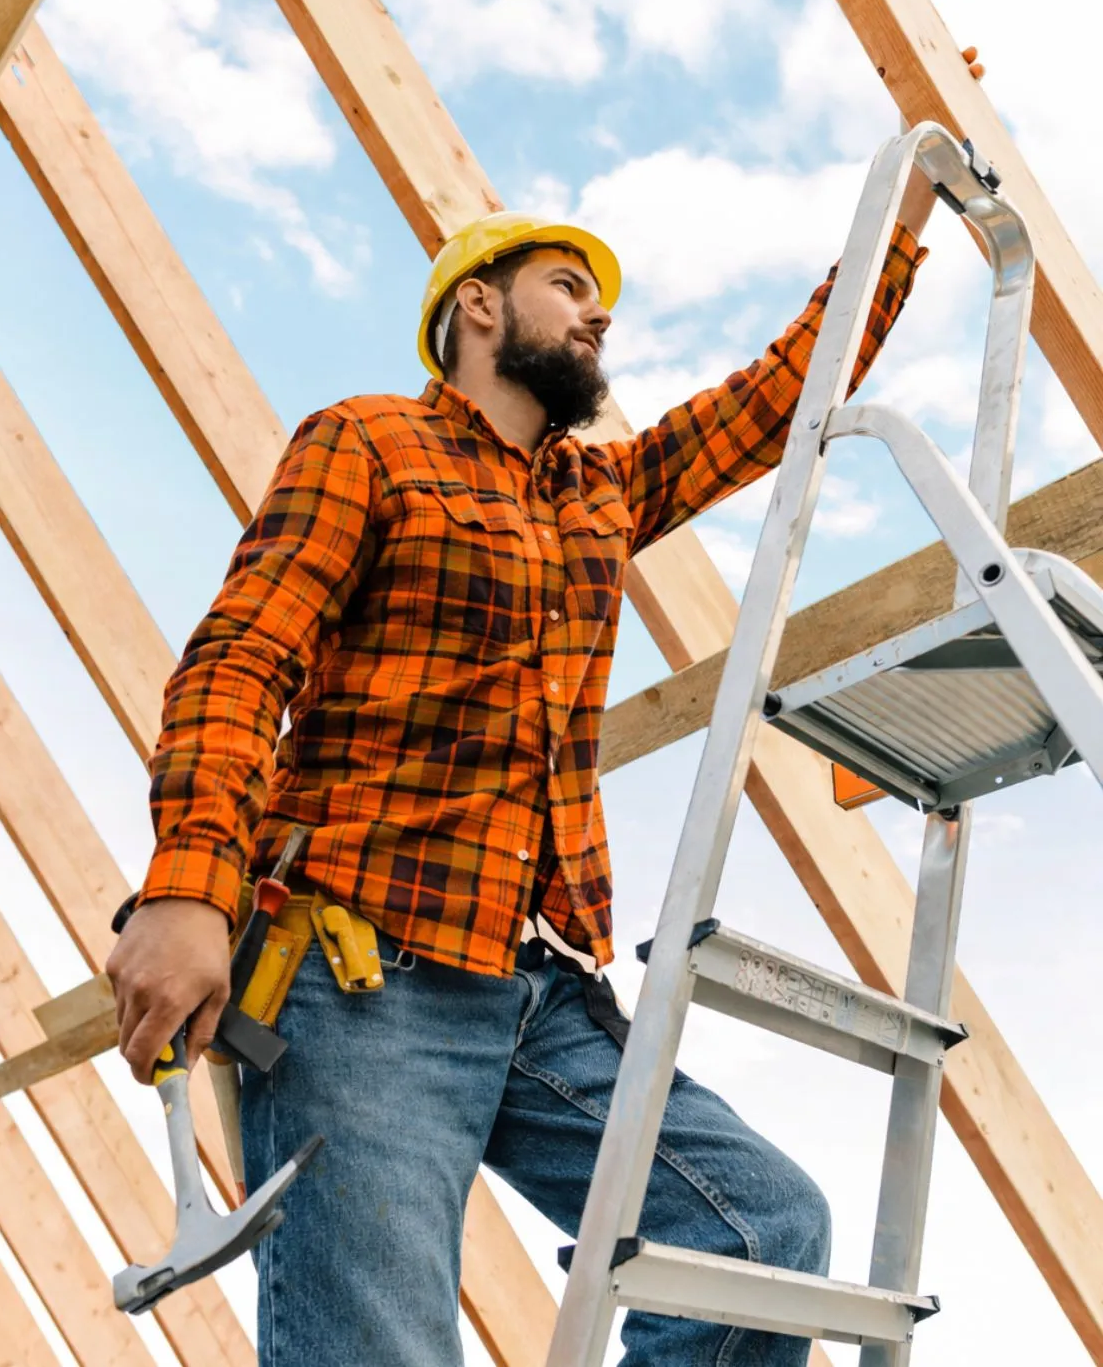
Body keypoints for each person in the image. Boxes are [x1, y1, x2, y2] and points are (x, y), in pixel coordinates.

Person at [108, 163, 938, 1364]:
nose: (598, 315)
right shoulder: (370, 442)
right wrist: (192, 883)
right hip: (360, 975)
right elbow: (242, 655)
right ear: (477, 306)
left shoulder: (602, 494)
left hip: (534, 988)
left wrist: (900, 226)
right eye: (567, 285)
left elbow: (775, 398)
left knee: (757, 1237)